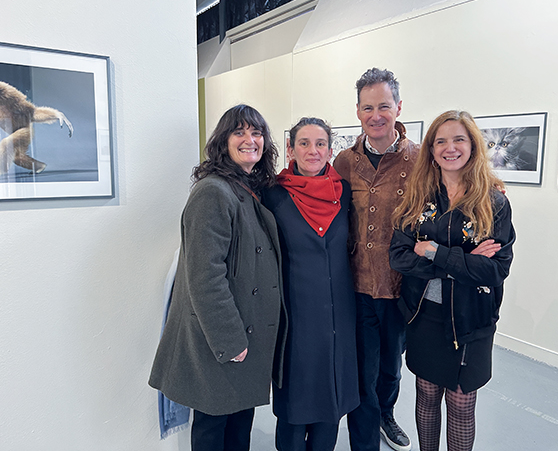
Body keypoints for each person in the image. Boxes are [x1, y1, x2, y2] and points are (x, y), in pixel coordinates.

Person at [149, 104, 287, 451]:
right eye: (239, 132)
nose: (249, 139)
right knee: (213, 431)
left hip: (242, 335)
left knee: (238, 428)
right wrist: (231, 341)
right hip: (222, 342)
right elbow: (204, 275)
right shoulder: (213, 191)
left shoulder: (246, 188)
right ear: (223, 140)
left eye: (256, 133)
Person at [388, 110, 516, 451]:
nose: (450, 148)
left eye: (459, 139)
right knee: (427, 396)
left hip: (471, 319)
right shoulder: (417, 198)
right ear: (431, 150)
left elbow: (495, 269)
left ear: (473, 145)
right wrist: (463, 262)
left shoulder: (494, 202)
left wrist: (433, 251)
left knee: (461, 403)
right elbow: (398, 257)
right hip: (424, 315)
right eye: (440, 141)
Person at [333, 68, 419, 451]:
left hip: (400, 285)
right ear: (357, 111)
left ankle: (386, 413)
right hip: (355, 285)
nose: (376, 115)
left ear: (398, 107)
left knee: (391, 368)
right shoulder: (344, 162)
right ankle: (364, 439)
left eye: (384, 105)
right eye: (368, 107)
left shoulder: (419, 160)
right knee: (362, 369)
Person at [262, 117, 359, 451]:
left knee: (330, 399)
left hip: (339, 312)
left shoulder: (344, 193)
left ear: (331, 150)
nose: (312, 151)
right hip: (295, 314)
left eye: (320, 144)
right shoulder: (273, 194)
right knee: (295, 401)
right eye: (304, 143)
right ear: (290, 148)